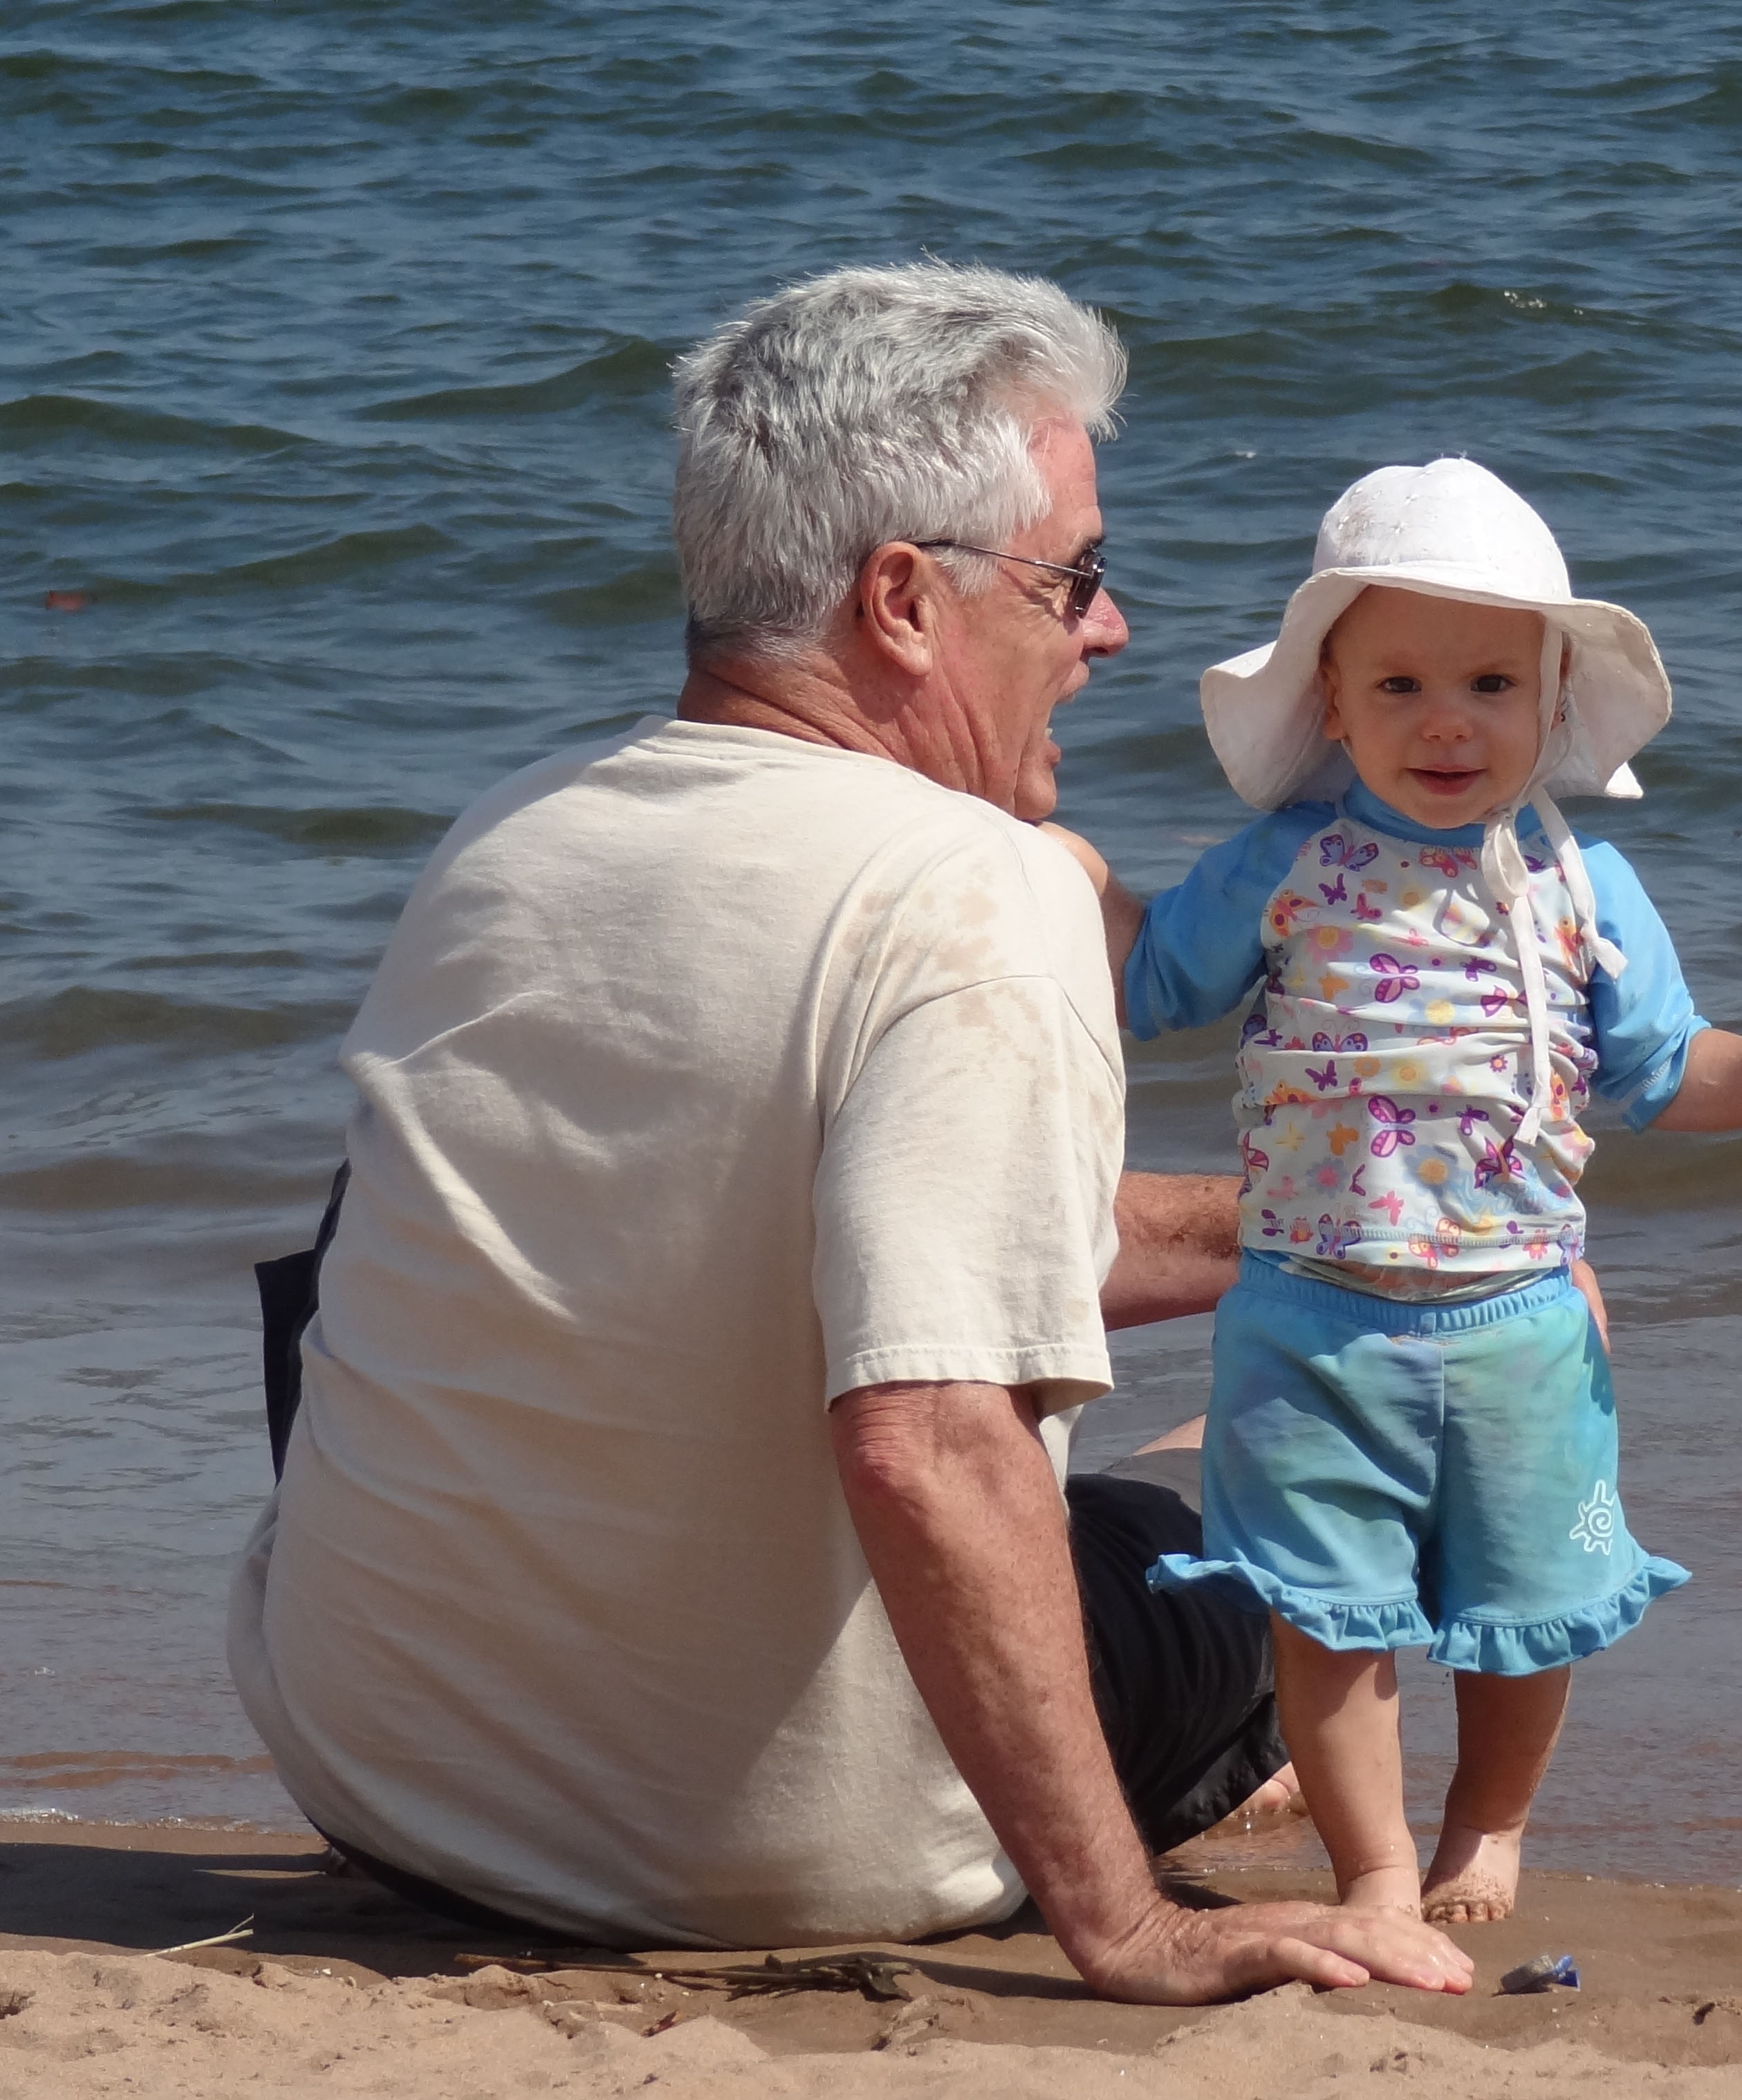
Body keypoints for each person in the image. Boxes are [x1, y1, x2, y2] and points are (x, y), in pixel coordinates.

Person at [226, 262, 1470, 2002]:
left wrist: (1371, 1235)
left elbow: (825, 1220)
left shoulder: (509, 840)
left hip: (388, 1787)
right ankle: (1189, 1769)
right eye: (1076, 577)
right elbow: (924, 1441)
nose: (1111, 630)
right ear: (902, 599)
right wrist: (1129, 1928)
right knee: (1317, 1474)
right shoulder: (983, 890)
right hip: (782, 1853)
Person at [1093, 459, 1742, 1925]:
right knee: (1322, 1617)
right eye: (1398, 686)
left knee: (1529, 1608)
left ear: (1553, 697)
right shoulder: (1286, 865)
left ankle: (1487, 1826)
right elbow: (1150, 981)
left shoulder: (1584, 887)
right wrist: (1061, 873)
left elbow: (1670, 1073)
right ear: (1333, 704)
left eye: (1488, 683)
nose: (1446, 721)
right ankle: (1374, 1866)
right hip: (1308, 1320)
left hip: (1521, 1321)